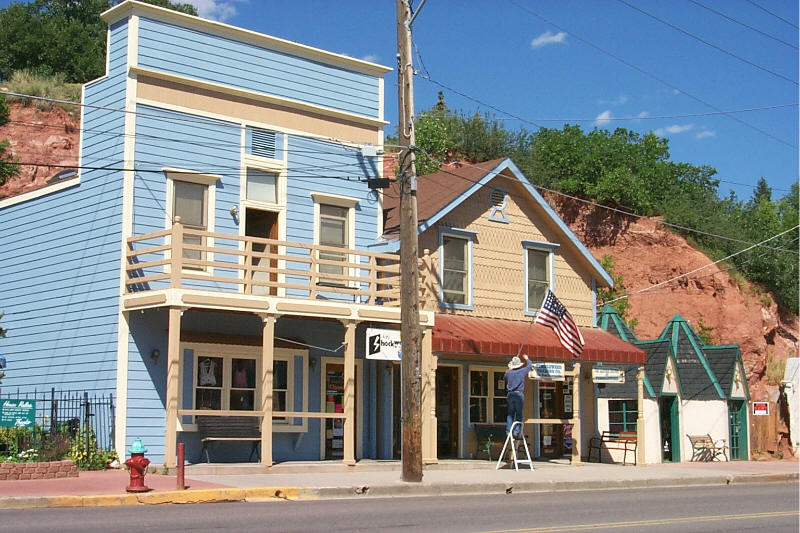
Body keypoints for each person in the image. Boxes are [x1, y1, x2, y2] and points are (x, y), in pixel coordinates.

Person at [504, 353, 532, 438]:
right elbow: (529, 366)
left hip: (510, 394)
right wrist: (527, 358)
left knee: (510, 414)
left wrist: (509, 369)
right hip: (519, 394)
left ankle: (509, 431)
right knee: (519, 414)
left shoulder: (508, 373)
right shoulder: (522, 371)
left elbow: (505, 378)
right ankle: (516, 432)